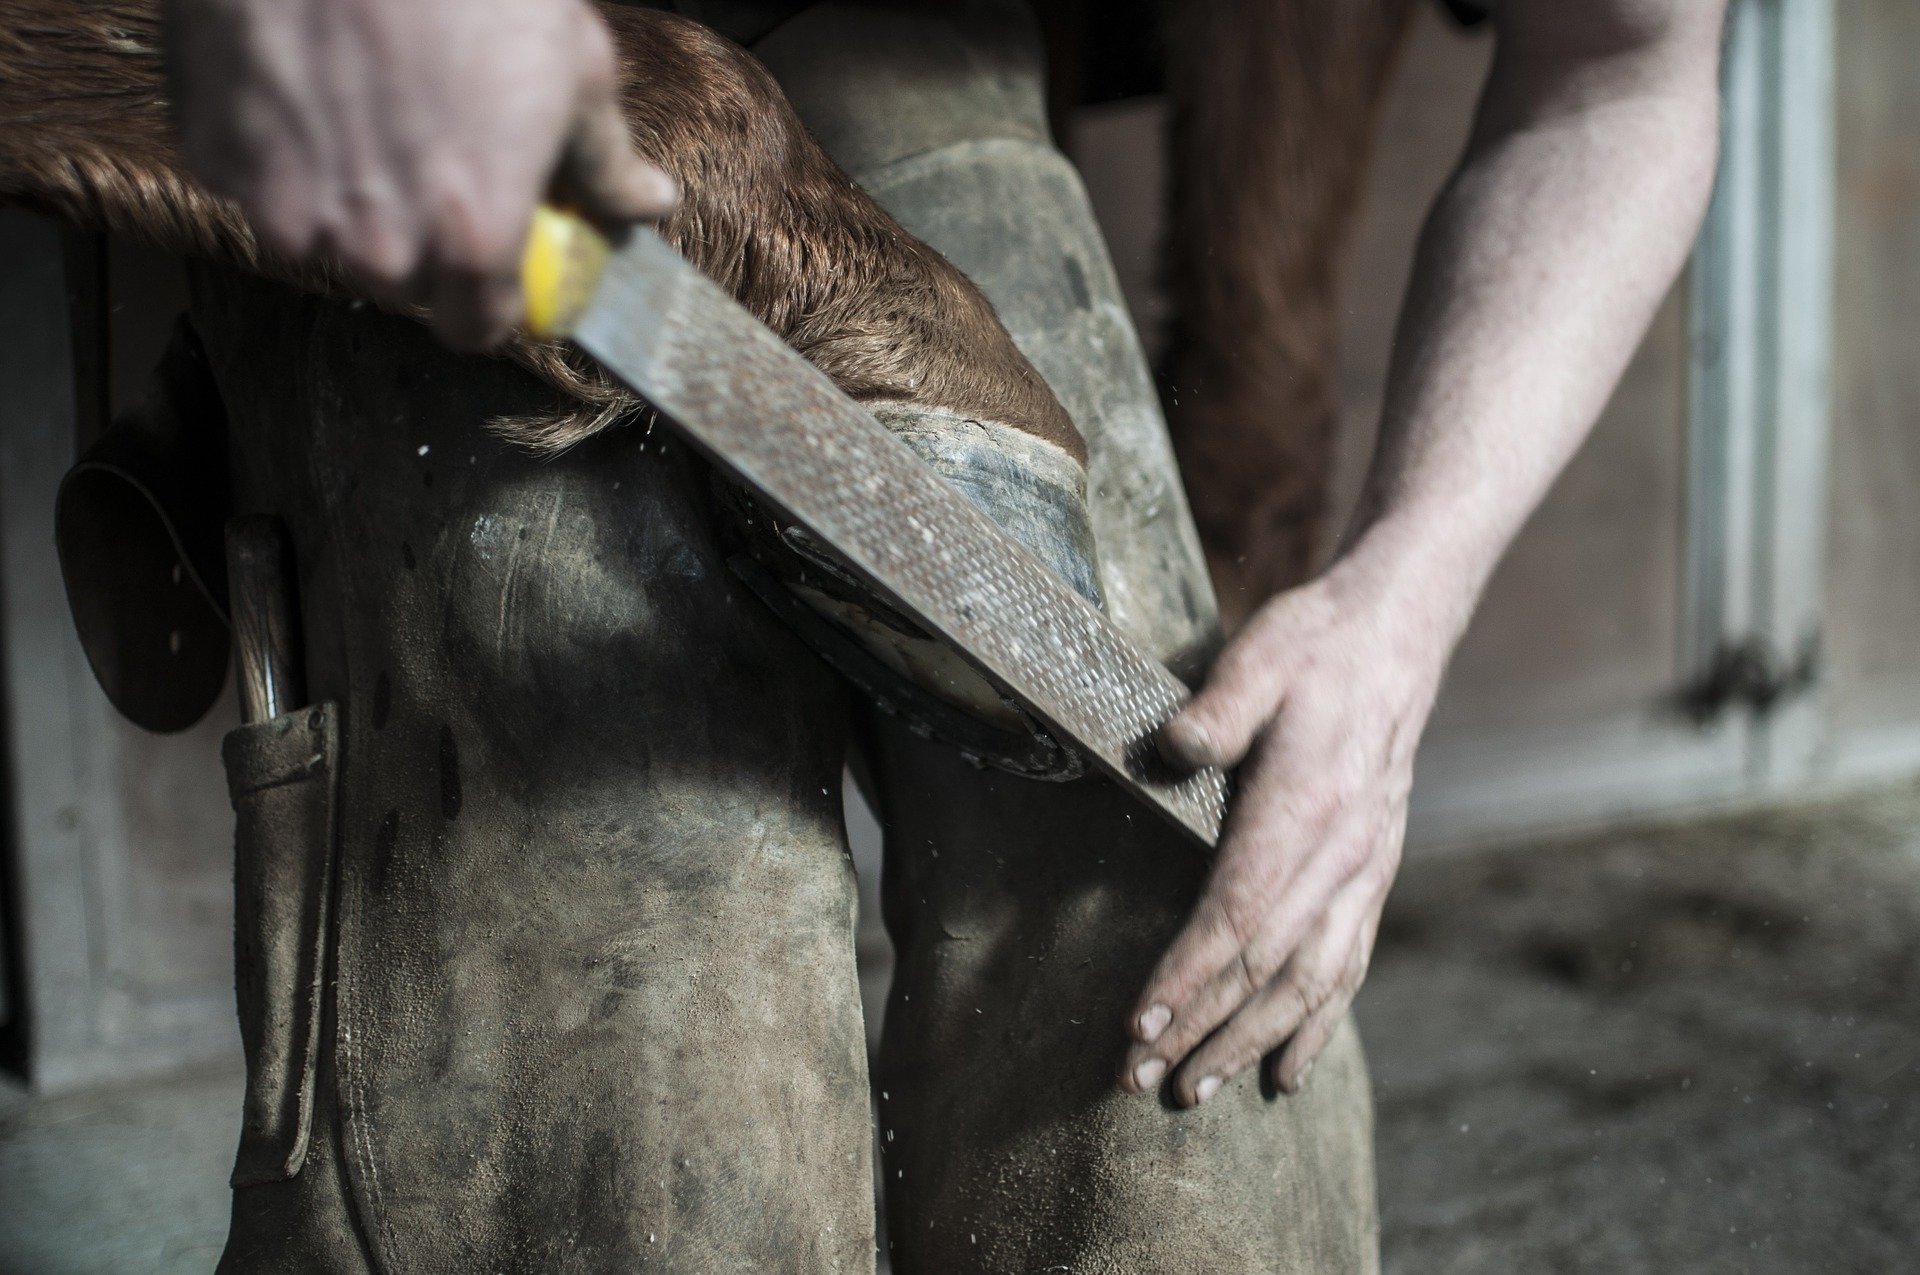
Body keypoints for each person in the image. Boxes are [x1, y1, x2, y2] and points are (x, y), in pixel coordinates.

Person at [148, 0, 1726, 1264]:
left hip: (903, 43)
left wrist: (1405, 596)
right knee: (623, 1095)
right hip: (427, 92)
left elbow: (1619, 76)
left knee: (1185, 1001)